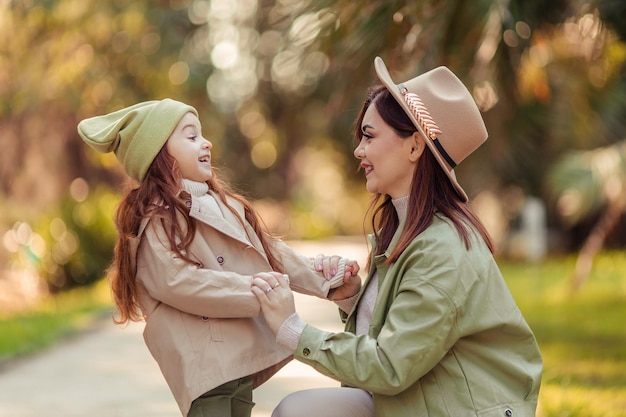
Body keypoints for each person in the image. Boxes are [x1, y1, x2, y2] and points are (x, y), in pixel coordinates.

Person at [251, 56, 543, 417]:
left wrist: (293, 329)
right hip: (418, 399)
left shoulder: (443, 247)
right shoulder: (405, 233)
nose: (359, 150)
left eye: (369, 136)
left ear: (415, 146)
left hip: (459, 409)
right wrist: (351, 300)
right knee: (298, 410)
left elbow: (389, 365)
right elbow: (398, 343)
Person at [77, 99, 360, 417]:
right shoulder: (157, 217)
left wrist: (325, 278)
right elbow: (177, 281)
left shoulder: (222, 203)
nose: (206, 142)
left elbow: (269, 252)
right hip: (206, 364)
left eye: (202, 134)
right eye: (191, 136)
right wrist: (258, 292)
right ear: (159, 154)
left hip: (235, 361)